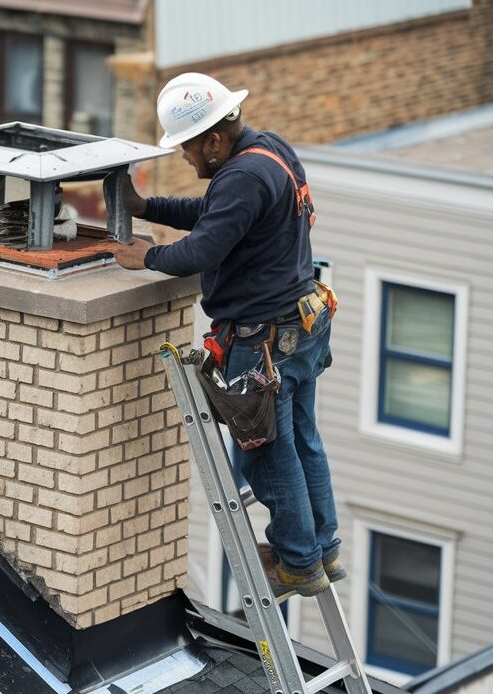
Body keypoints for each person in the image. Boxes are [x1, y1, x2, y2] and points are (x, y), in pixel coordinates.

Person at [112, 72, 342, 597]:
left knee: (265, 449)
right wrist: (149, 208)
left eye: (189, 150)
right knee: (303, 439)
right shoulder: (268, 152)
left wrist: (143, 256)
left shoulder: (239, 177)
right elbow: (214, 215)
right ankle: (321, 547)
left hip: (263, 336)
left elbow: (200, 250)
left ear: (214, 139)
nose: (188, 161)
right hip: (301, 324)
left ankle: (297, 561)